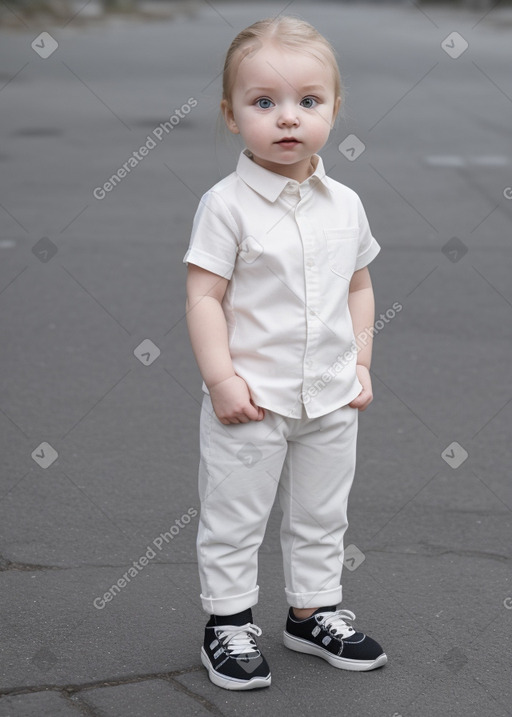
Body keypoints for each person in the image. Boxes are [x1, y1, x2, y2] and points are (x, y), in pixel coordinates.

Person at [183, 16, 387, 691]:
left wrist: (360, 362)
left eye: (308, 100)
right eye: (263, 102)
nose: (287, 118)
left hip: (330, 394)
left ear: (333, 108)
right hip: (254, 398)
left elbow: (359, 285)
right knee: (235, 516)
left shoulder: (346, 204)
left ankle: (311, 611)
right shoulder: (226, 207)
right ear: (232, 115)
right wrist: (220, 377)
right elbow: (204, 296)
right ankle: (228, 623)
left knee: (323, 513)